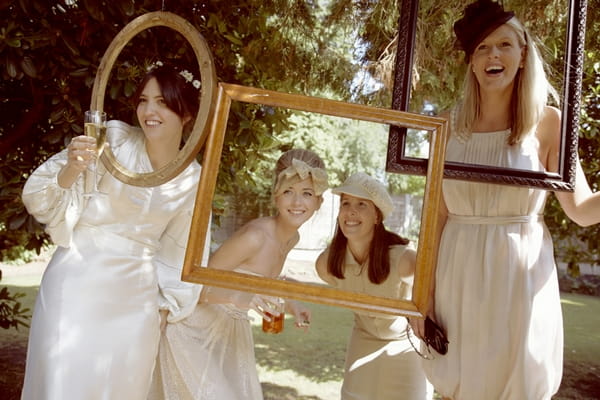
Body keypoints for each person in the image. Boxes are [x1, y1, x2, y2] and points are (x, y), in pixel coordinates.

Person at [413, 1, 600, 399]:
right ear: (471, 62)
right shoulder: (445, 125)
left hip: (520, 278)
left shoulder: (549, 123)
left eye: (503, 44)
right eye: (481, 47)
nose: (492, 54)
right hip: (456, 273)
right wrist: (421, 297)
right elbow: (435, 219)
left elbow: (581, 211)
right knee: (457, 385)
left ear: (523, 54)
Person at [20, 62, 205, 400]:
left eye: (163, 102)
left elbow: (182, 253)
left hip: (136, 303)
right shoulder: (114, 139)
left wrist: (163, 310)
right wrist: (73, 168)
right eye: (144, 100)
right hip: (75, 283)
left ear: (188, 113)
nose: (149, 111)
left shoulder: (193, 180)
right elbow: (39, 195)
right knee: (62, 387)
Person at [148, 148, 328, 400]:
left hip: (230, 334)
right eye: (289, 192)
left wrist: (292, 305)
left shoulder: (291, 238)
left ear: (319, 201)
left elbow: (262, 282)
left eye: (307, 194)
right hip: (194, 330)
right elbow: (196, 286)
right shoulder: (255, 237)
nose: (297, 203)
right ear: (276, 196)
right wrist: (240, 298)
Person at [315, 172, 433, 400]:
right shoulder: (327, 264)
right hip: (363, 338)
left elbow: (432, 282)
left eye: (362, 205)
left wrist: (424, 312)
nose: (351, 211)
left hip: (405, 344)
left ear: (377, 216)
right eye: (346, 203)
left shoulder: (403, 259)